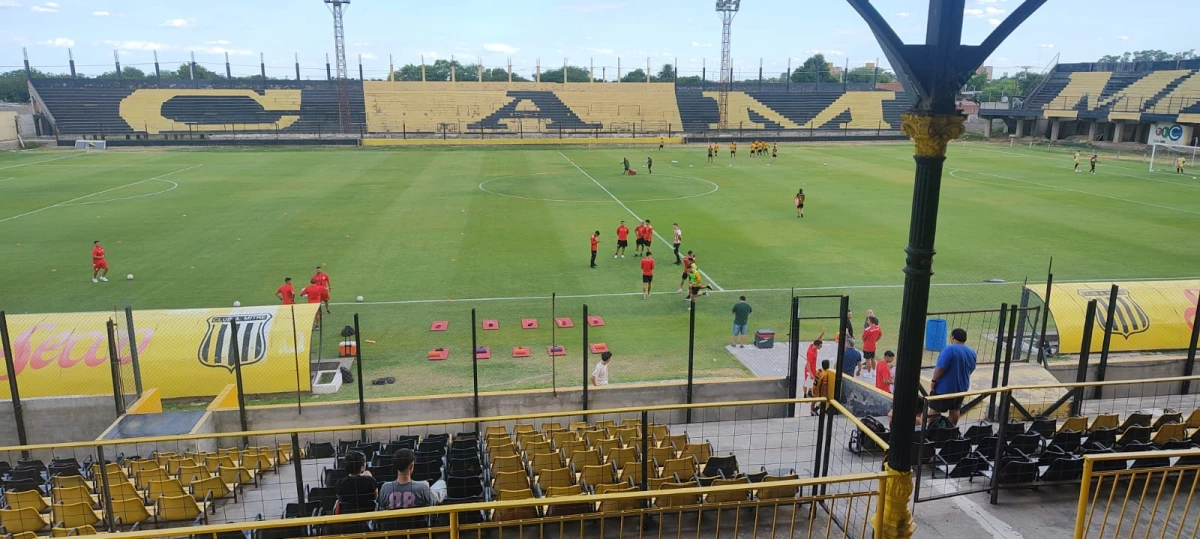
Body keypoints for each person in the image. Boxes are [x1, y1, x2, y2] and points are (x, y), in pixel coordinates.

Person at [930, 327, 978, 425]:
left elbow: (940, 368)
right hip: (962, 388)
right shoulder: (971, 351)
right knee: (955, 410)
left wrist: (934, 380)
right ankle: (950, 431)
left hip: (944, 389)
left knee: (934, 410)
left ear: (952, 337)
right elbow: (972, 368)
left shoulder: (949, 349)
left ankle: (930, 432)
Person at [377, 448, 442, 511]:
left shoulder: (385, 487)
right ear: (411, 466)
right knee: (441, 484)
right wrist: (427, 487)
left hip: (392, 522)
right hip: (418, 522)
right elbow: (436, 503)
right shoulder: (422, 487)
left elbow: (381, 508)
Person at [804, 328, 826, 393]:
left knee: (811, 381)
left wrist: (822, 333)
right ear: (817, 346)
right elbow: (808, 363)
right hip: (809, 368)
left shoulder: (813, 346)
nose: (821, 347)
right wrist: (810, 373)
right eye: (820, 346)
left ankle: (810, 391)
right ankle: (805, 394)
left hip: (813, 368)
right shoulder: (811, 353)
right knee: (806, 381)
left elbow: (818, 339)